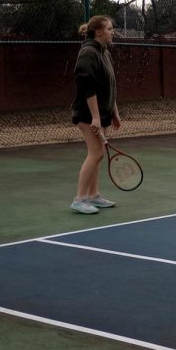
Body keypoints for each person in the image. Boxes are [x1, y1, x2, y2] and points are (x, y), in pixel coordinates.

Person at [70, 15, 121, 214]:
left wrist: (114, 112)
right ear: (98, 32)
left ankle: (93, 195)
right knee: (96, 153)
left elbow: (109, 85)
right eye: (109, 28)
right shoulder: (88, 53)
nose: (112, 31)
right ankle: (79, 199)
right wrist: (96, 117)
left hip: (102, 112)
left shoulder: (105, 53)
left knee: (98, 155)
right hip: (87, 113)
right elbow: (86, 86)